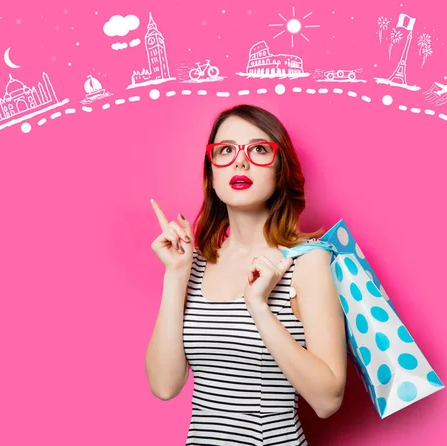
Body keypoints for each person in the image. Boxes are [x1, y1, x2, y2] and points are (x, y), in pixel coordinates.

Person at [145, 104, 347, 445]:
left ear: (280, 170)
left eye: (259, 150)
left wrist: (259, 307)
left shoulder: (307, 262)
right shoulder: (193, 264)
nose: (240, 161)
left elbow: (328, 401)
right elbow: (165, 386)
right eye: (225, 150)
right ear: (211, 173)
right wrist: (176, 275)